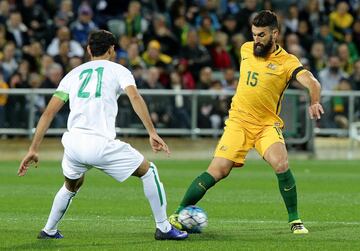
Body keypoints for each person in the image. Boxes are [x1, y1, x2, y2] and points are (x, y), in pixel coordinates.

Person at [17, 30, 188, 241]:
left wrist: (33, 148)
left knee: (71, 185)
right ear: (112, 50)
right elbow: (134, 97)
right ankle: (163, 228)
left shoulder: (72, 74)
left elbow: (48, 113)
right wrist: (152, 131)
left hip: (73, 144)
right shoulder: (119, 70)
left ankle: (49, 230)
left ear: (89, 50)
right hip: (100, 144)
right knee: (148, 171)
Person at [169, 10, 324, 234]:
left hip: (266, 125)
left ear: (275, 34)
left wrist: (314, 101)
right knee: (218, 170)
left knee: (281, 164)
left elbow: (312, 82)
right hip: (238, 122)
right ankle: (178, 211)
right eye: (254, 34)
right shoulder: (245, 49)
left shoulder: (288, 62)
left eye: (261, 35)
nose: (256, 40)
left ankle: (295, 220)